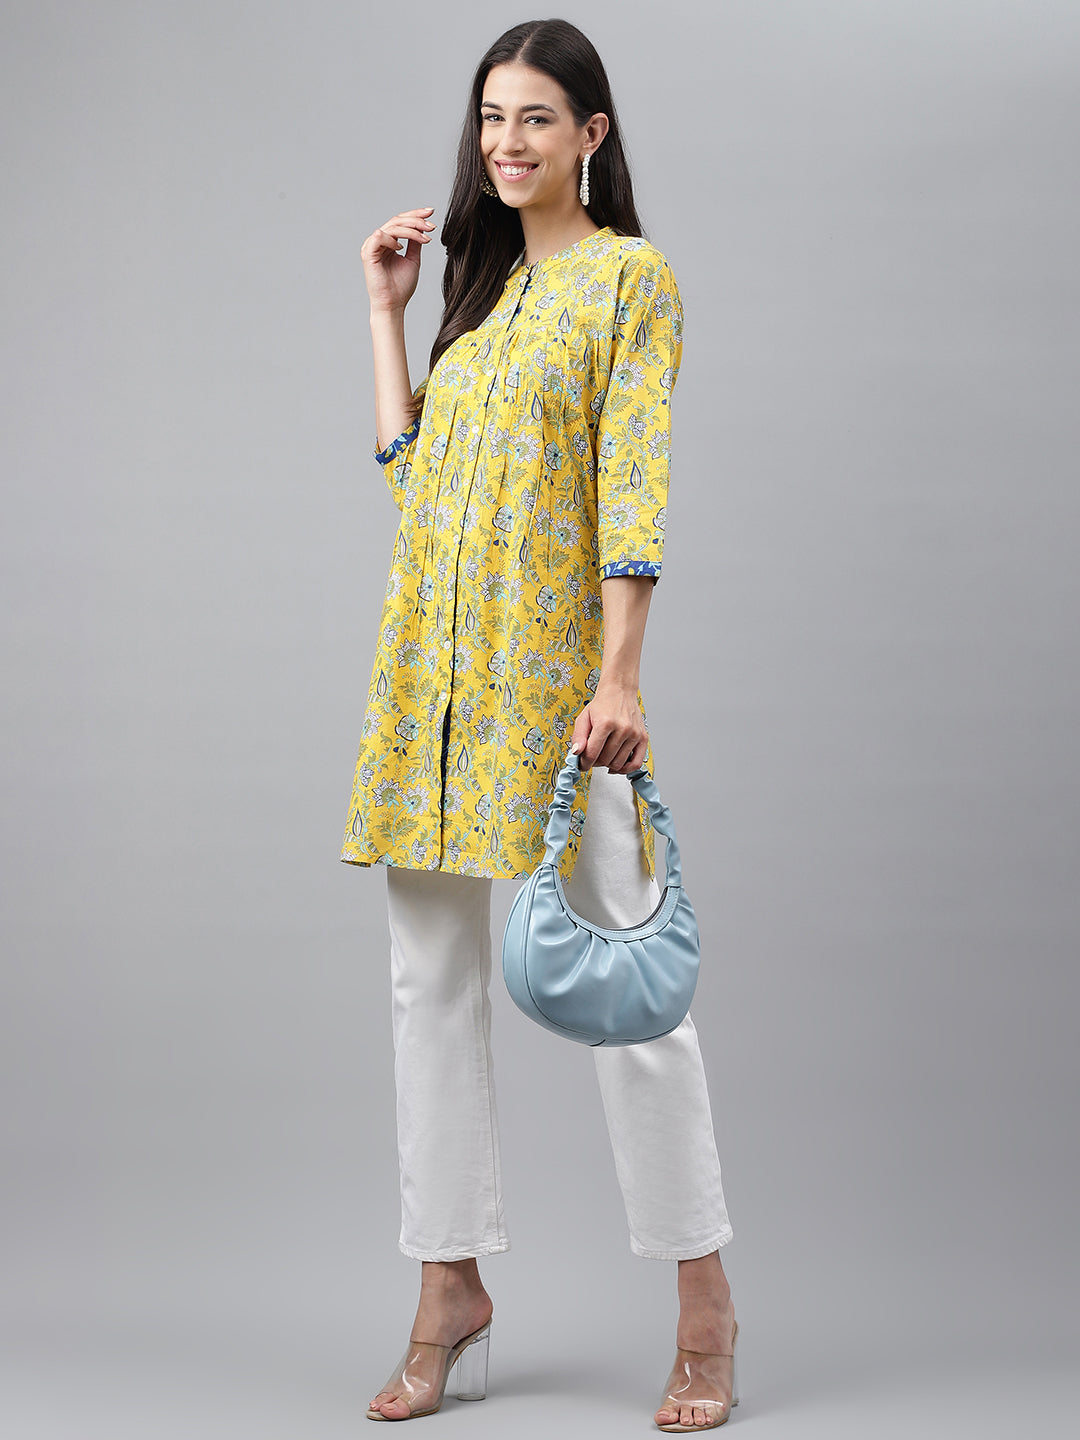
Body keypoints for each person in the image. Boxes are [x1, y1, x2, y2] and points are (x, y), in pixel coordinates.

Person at [340, 18, 739, 1431]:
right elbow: (418, 486)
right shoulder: (484, 288)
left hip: (557, 692)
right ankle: (447, 1287)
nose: (506, 143)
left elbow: (634, 488)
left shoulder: (632, 281)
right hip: (430, 691)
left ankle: (704, 1306)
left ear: (591, 134)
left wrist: (620, 677)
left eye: (536, 119)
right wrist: (387, 317)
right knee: (428, 991)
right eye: (491, 118)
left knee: (634, 1004)